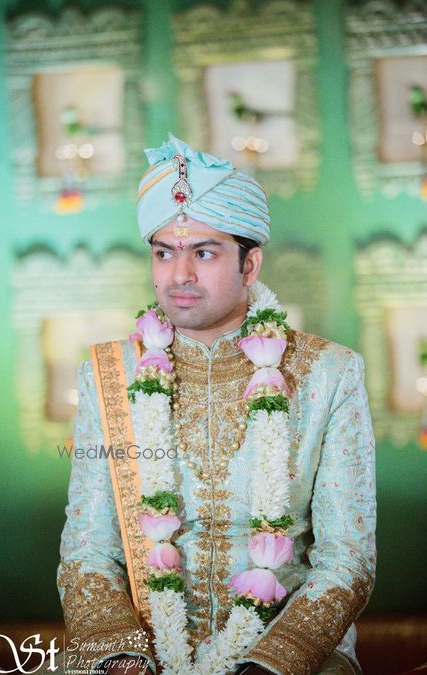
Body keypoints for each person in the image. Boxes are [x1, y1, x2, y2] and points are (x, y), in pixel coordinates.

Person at [56, 133, 376, 675]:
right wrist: (121, 658)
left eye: (203, 253)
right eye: (164, 253)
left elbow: (347, 559)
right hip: (141, 652)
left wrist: (271, 663)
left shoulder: (329, 372)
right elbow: (87, 550)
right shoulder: (109, 374)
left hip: (288, 654)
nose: (178, 276)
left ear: (250, 266)